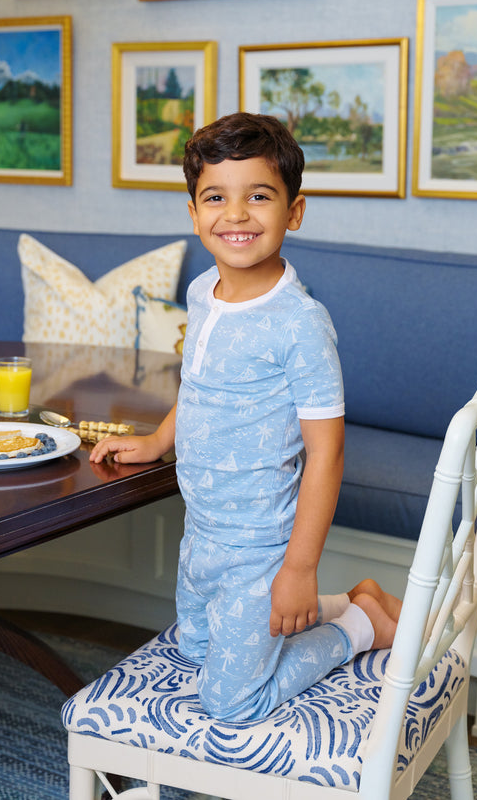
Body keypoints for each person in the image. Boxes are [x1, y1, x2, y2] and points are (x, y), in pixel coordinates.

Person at [90, 112, 401, 722]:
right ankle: (343, 602)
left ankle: (362, 622)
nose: (235, 215)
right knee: (194, 648)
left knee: (231, 700)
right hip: (202, 530)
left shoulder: (300, 324)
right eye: (216, 198)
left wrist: (298, 569)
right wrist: (157, 441)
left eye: (258, 196)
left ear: (294, 211)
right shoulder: (202, 290)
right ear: (194, 213)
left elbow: (328, 454)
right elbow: (200, 385)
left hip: (259, 543)